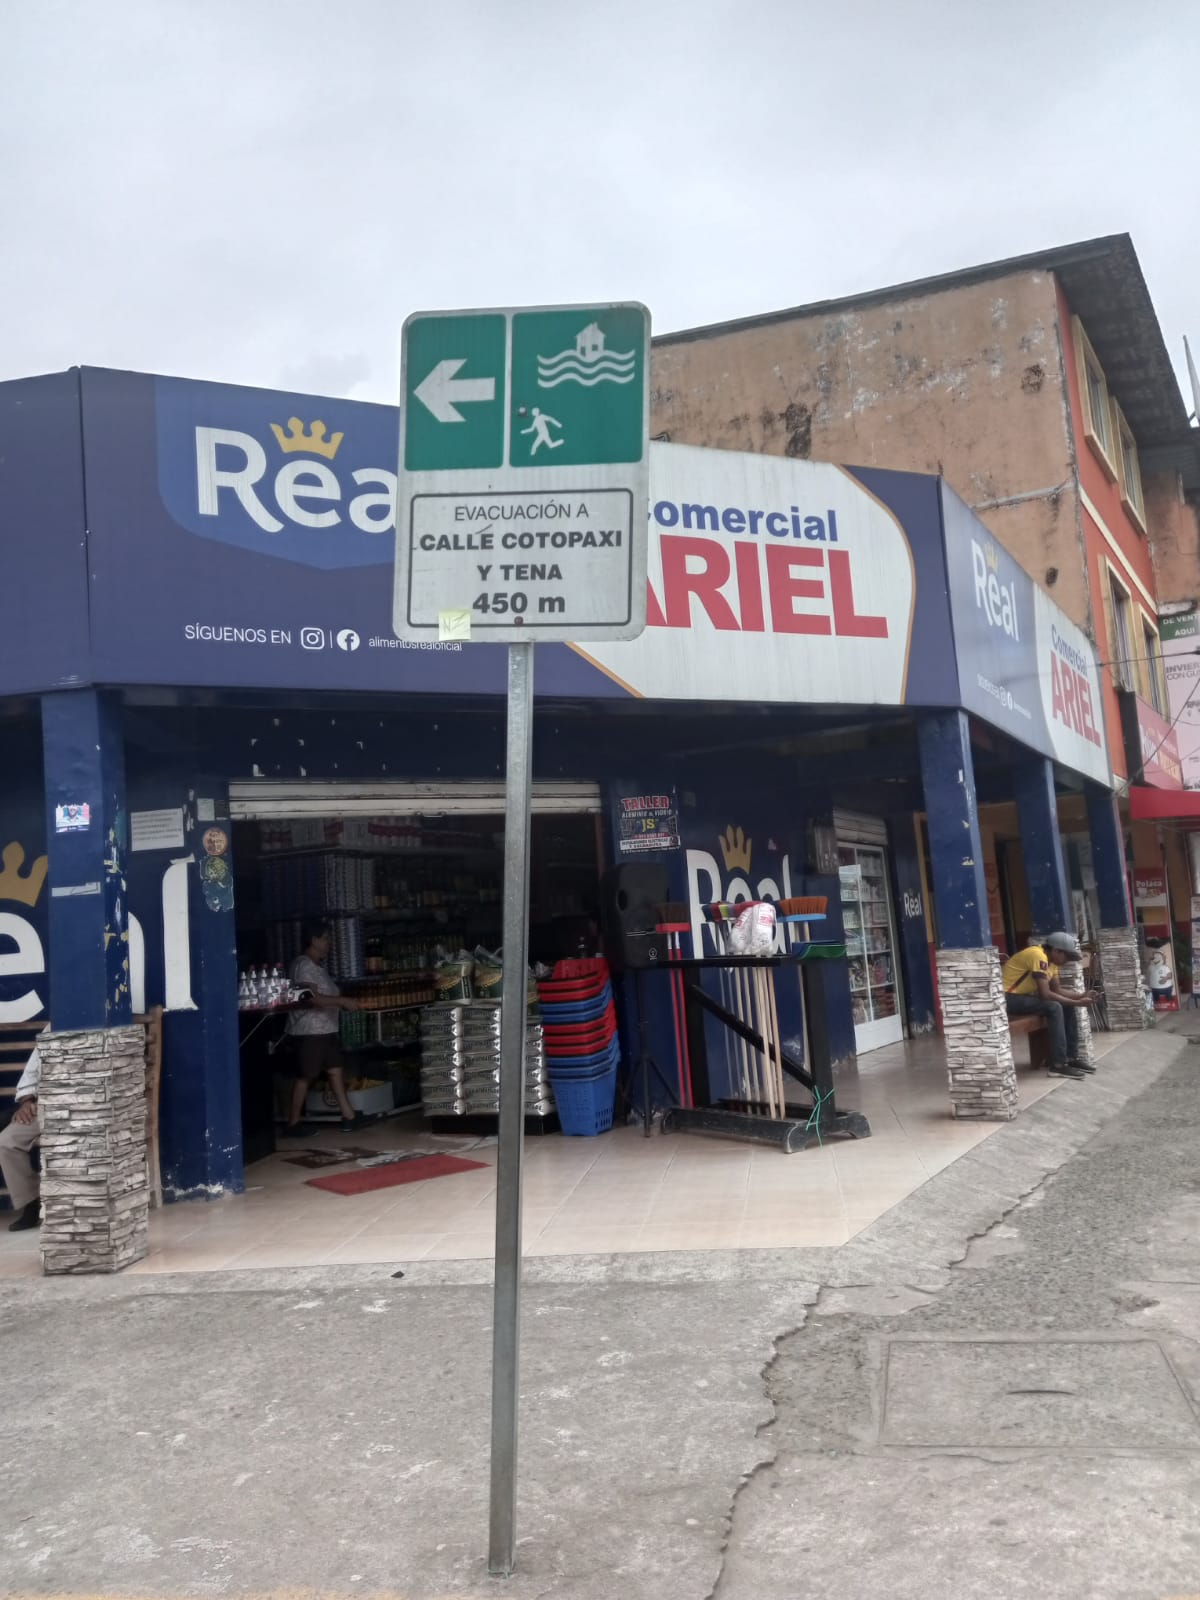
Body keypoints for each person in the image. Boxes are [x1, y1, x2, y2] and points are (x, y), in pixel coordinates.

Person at [285, 924, 366, 1136]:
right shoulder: (303, 965)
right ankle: (293, 1123)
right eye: (326, 938)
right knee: (305, 1075)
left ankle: (349, 1116)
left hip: (326, 1028)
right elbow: (311, 999)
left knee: (335, 1069)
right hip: (309, 1030)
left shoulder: (317, 967)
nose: (329, 943)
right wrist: (341, 1001)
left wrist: (342, 1003)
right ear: (313, 940)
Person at [1002, 930, 1099, 1080]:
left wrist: (1082, 995)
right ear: (1056, 951)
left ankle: (1070, 1058)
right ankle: (1058, 1065)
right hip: (1008, 998)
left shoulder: (1052, 963)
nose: (1067, 961)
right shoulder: (1038, 955)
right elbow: (1045, 995)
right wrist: (1078, 1002)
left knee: (1065, 1005)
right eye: (1067, 956)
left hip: (1022, 997)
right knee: (1054, 1007)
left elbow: (1057, 990)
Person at [0, 1044, 42, 1231]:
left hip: (93, 1107)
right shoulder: (50, 1031)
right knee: (6, 1142)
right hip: (44, 1106)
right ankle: (32, 1202)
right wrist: (27, 1101)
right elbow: (31, 1073)